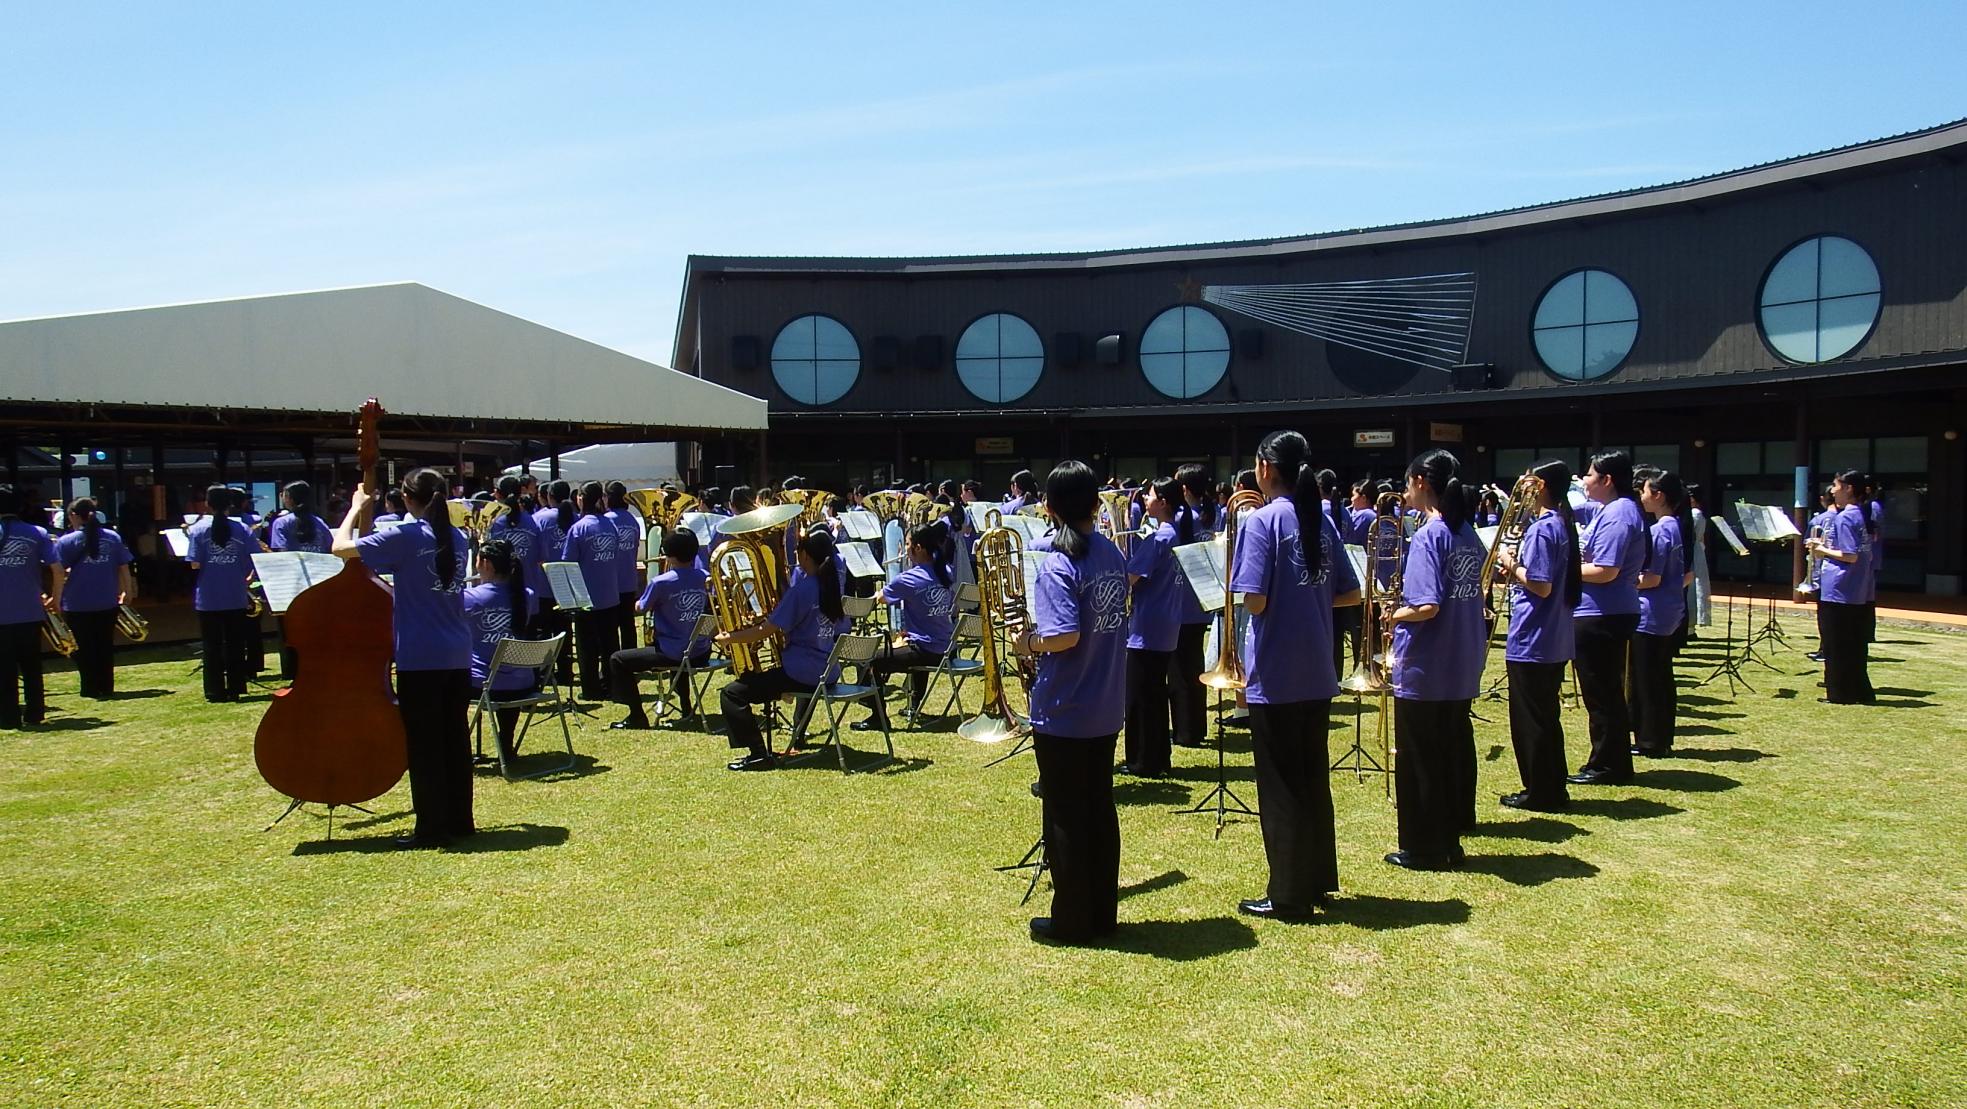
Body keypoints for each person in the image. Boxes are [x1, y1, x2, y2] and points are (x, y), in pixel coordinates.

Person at [1229, 434, 1363, 916]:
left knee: (1281, 785)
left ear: (1265, 468)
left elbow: (1255, 600)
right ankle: (1316, 878)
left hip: (1277, 671)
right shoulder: (1321, 519)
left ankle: (1287, 892)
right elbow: (1351, 592)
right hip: (1317, 667)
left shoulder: (1262, 521)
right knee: (1311, 779)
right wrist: (1309, 598)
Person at [1013, 461, 1129, 945]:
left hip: (1066, 707)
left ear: (1050, 507)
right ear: (1096, 504)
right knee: (1099, 810)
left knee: (1064, 814)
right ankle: (1102, 913)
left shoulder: (1059, 563)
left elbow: (1063, 636)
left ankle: (1072, 920)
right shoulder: (1112, 553)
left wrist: (1028, 643)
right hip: (1106, 701)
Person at [332, 467, 474, 847]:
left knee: (424, 745)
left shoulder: (406, 535)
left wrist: (355, 508)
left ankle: (432, 828)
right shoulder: (457, 537)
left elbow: (340, 549)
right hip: (457, 651)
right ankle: (460, 820)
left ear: (407, 499)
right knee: (455, 739)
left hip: (421, 653)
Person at [1383, 449, 1487, 870]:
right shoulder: (1467, 533)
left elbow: (1426, 606)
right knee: (1449, 752)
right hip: (1462, 657)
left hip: (1428, 664)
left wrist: (1393, 614)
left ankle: (1424, 847)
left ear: (1421, 482)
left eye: (1407, 482)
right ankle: (1449, 838)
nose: (1405, 491)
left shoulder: (1430, 535)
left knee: (1419, 757)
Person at [714, 529, 850, 771]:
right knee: (754, 684)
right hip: (827, 671)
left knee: (732, 694)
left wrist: (730, 638)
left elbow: (764, 631)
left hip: (801, 672)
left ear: (805, 555)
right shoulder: (830, 586)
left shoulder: (803, 589)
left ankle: (758, 754)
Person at [1493, 460, 1579, 812]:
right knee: (1545, 717)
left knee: (1530, 721)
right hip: (1553, 636)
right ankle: (1551, 787)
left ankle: (1540, 791)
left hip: (1534, 637)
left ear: (1540, 486)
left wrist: (1510, 563)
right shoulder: (1560, 523)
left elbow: (1541, 585)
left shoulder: (1544, 528)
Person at [1568, 450, 1647, 787]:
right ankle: (1607, 760)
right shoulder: (1613, 509)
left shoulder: (1618, 514)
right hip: (1603, 610)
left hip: (1603, 613)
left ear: (1607, 479)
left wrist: (1562, 571)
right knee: (1602, 692)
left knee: (1602, 693)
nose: (1584, 481)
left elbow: (1605, 570)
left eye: (1589, 474)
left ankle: (1608, 765)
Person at [852, 521, 957, 732]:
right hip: (948, 648)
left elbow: (881, 598)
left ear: (918, 548)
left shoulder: (909, 578)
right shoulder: (945, 570)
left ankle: (877, 716)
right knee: (914, 642)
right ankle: (914, 705)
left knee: (867, 658)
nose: (905, 549)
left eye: (907, 544)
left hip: (927, 650)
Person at [608, 528, 711, 730]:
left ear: (668, 554)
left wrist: (637, 602)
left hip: (675, 653)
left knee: (617, 660)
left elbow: (641, 608)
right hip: (700, 651)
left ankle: (636, 716)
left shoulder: (661, 582)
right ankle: (686, 707)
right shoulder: (705, 576)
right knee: (683, 641)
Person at [1117, 479, 1186, 777]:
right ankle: (1158, 758)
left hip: (1146, 627)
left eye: (1151, 495)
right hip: (1166, 624)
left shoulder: (1159, 538)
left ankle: (1142, 761)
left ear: (1164, 502)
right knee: (1155, 696)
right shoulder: (1175, 534)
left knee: (1138, 698)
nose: (1146, 498)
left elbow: (1129, 578)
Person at [1631, 470, 1694, 757]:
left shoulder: (1659, 530)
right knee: (1661, 677)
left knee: (1647, 681)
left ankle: (1650, 740)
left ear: (1659, 496)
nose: (1641, 497)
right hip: (1669, 610)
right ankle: (1661, 737)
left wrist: (1625, 579)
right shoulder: (1675, 526)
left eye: (1645, 491)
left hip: (1652, 613)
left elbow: (1652, 578)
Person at [463, 537, 537, 764]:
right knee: (504, 671)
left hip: (485, 684)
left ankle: (459, 747)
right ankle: (506, 745)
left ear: (486, 564)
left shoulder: (471, 598)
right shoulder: (527, 595)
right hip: (523, 683)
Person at [54, 498, 135, 699]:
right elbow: (123, 567)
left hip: (77, 602)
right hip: (106, 599)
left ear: (74, 516)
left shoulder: (66, 541)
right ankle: (106, 686)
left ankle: (89, 687)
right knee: (105, 645)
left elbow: (59, 572)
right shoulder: (112, 537)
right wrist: (128, 590)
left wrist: (56, 598)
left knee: (83, 647)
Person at [1808, 470, 1876, 704]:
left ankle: (1840, 693)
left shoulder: (1846, 516)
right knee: (1854, 644)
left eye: (1836, 486)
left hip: (1839, 588)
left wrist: (1821, 550)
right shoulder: (1862, 513)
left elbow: (1850, 555)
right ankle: (1860, 691)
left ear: (1848, 488)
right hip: (1856, 589)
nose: (1833, 490)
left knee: (1835, 645)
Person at [187, 485, 258, 703]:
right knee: (236, 644)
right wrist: (248, 576)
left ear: (207, 504)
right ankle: (236, 687)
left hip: (208, 596)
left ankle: (215, 690)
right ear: (230, 504)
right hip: (235, 594)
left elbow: (195, 564)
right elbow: (255, 559)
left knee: (212, 646)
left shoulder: (198, 530)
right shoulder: (242, 529)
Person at [1, 486, 62, 727]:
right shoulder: (37, 533)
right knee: (31, 664)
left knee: (4, 668)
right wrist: (56, 598)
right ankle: (35, 712)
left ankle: (8, 717)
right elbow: (57, 569)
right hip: (30, 609)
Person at [1168, 463, 1216, 747]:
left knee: (1179, 674)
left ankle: (1185, 732)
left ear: (1183, 489)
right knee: (1195, 668)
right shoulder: (1212, 514)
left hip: (1180, 603)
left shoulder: (1179, 519)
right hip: (1201, 601)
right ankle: (1196, 727)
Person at [561, 481, 623, 700]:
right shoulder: (611, 525)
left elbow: (568, 563)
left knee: (587, 647)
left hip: (585, 597)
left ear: (581, 499)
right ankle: (613, 685)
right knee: (610, 645)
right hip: (610, 594)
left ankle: (591, 689)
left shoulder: (578, 528)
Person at [530, 479, 576, 686]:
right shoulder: (576, 518)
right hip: (567, 585)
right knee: (564, 630)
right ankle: (566, 672)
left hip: (542, 584)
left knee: (543, 632)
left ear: (549, 496)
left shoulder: (539, 518)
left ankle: (543, 673)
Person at [604, 481, 644, 654]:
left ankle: (614, 657)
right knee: (628, 624)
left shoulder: (606, 520)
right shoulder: (632, 520)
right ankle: (631, 657)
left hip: (611, 581)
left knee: (610, 626)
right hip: (629, 579)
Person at [1686, 483, 1712, 630]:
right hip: (1698, 550)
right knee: (1695, 586)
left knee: (1693, 587)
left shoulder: (1694, 514)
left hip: (1694, 551)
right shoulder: (1698, 513)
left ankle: (1691, 624)